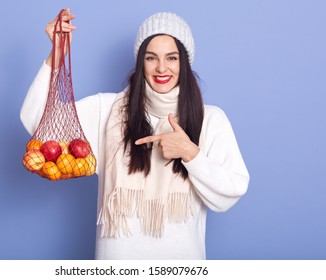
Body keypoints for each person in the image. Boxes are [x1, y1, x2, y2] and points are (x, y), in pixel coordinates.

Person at [20, 8, 250, 260]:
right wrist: (57, 53)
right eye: (151, 58)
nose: (162, 67)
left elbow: (229, 194)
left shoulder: (210, 119)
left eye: (172, 58)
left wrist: (190, 154)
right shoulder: (107, 111)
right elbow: (37, 120)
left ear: (184, 63)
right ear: (141, 62)